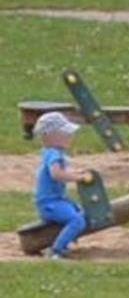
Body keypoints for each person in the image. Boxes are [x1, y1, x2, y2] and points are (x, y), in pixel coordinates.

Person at [32, 111, 88, 259]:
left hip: (58, 199)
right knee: (77, 220)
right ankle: (56, 250)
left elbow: (63, 171)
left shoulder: (52, 152)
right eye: (66, 133)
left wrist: (77, 172)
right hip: (50, 203)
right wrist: (78, 178)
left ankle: (68, 237)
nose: (70, 136)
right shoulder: (53, 154)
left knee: (81, 211)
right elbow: (56, 174)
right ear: (51, 136)